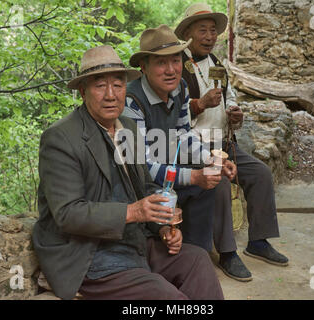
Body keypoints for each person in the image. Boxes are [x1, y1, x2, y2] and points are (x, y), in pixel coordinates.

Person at [32, 45, 224, 300]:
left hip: (132, 242)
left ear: (125, 88)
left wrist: (162, 227)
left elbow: (144, 187)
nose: (111, 95)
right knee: (167, 298)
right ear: (83, 91)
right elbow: (68, 214)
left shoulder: (128, 128)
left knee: (198, 261)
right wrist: (134, 212)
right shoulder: (60, 138)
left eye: (118, 85)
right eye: (100, 86)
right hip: (89, 254)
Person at [122, 25, 254, 281]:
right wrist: (194, 177)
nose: (171, 69)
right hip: (141, 185)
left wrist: (210, 160)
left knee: (215, 184)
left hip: (169, 172)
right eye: (161, 63)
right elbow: (140, 164)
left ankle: (198, 258)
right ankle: (176, 264)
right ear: (144, 67)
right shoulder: (131, 101)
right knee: (198, 183)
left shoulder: (181, 88)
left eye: (175, 60)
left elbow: (184, 134)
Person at [174, 3, 289, 280]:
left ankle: (258, 241)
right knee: (221, 182)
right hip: (191, 148)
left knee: (260, 173)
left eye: (213, 31)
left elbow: (230, 98)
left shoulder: (217, 64)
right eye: (202, 30)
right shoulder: (175, 64)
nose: (210, 36)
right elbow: (171, 112)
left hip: (222, 145)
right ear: (188, 33)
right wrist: (199, 104)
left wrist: (233, 113)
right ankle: (227, 252)